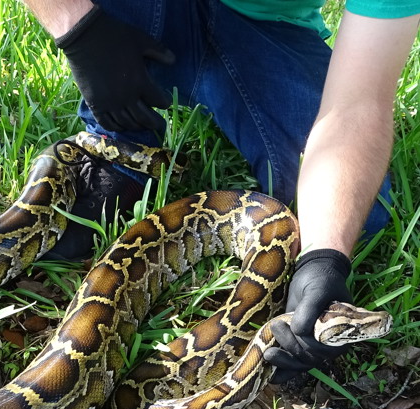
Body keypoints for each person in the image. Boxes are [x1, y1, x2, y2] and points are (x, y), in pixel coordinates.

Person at [23, 0, 419, 378]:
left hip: (266, 28)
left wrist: (324, 258)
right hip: (137, 10)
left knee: (356, 213)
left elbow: (358, 103)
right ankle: (123, 144)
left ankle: (207, 81)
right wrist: (78, 31)